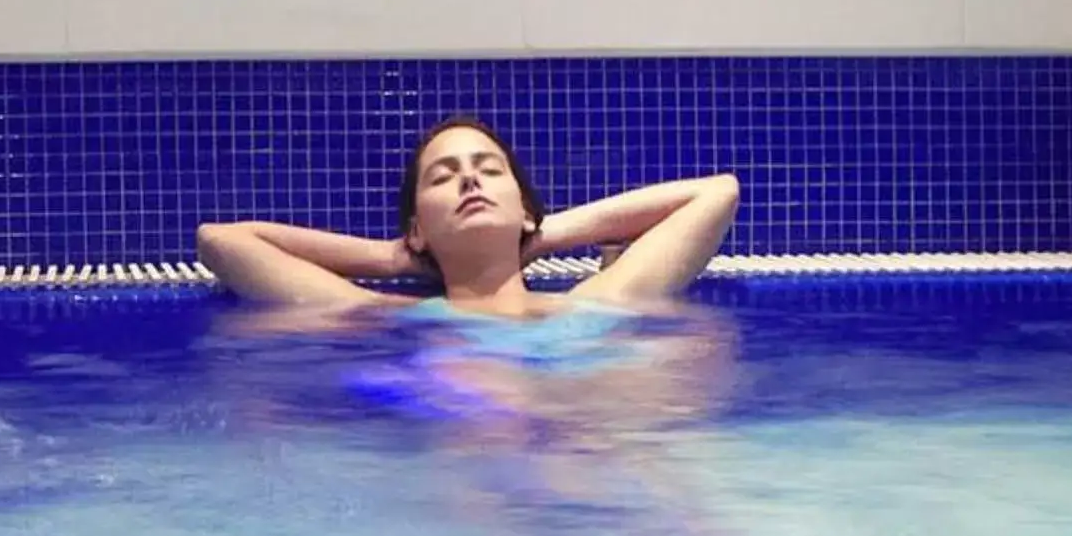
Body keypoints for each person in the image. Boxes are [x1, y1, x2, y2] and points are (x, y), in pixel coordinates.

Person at [195, 118, 740, 319]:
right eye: (443, 176)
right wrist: (396, 256)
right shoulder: (386, 314)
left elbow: (717, 194)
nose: (470, 181)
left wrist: (538, 234)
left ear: (524, 207)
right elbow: (223, 241)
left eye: (487, 170)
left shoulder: (597, 301)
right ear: (417, 226)